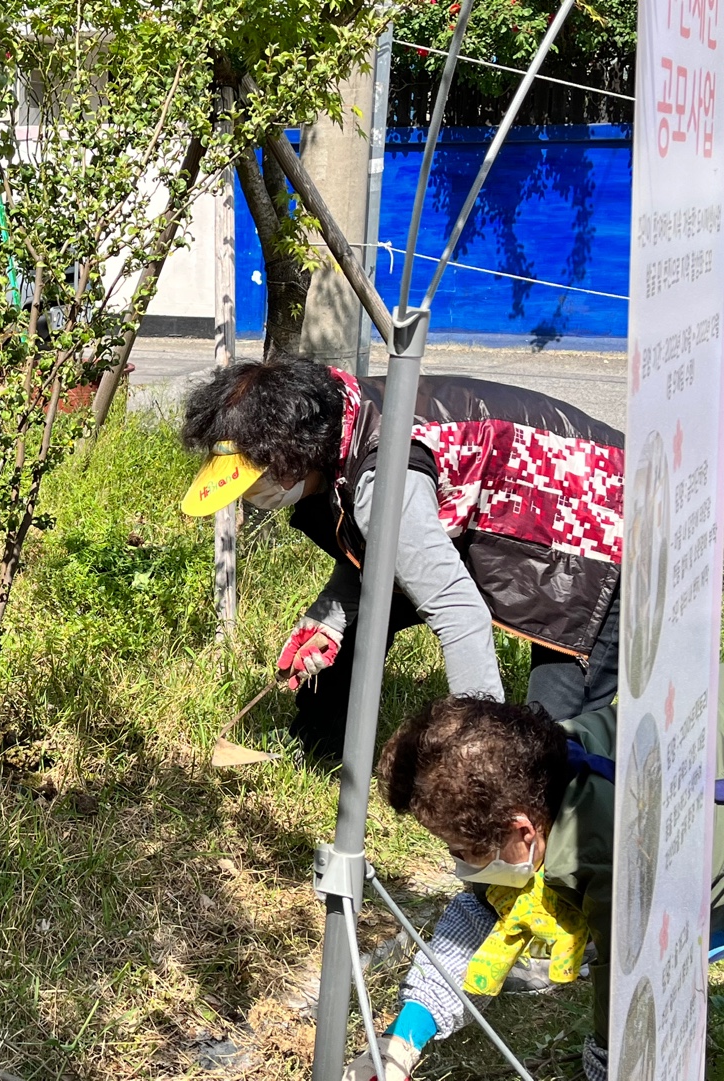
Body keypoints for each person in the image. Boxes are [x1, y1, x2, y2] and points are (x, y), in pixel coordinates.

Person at [180, 358, 624, 759]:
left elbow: (459, 612)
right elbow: (380, 555)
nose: (252, 498)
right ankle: (318, 750)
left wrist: (483, 749)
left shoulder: (383, 482)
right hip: (521, 510)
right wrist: (327, 620)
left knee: (553, 732)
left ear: (296, 458)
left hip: (606, 519)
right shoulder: (337, 416)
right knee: (363, 619)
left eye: (256, 483)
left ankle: (537, 816)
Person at [345, 694, 724, 1081]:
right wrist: (400, 1043)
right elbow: (477, 926)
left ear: (522, 831)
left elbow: (634, 1004)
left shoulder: (610, 853)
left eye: (461, 850)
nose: (457, 862)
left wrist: (610, 1064)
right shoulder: (529, 768)